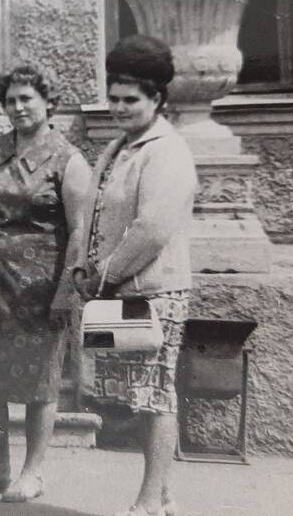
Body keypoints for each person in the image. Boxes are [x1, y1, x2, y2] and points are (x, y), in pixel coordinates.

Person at [0, 65, 90, 503]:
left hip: (39, 285)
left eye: (26, 98)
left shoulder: (69, 159)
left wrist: (68, 289)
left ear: (48, 103)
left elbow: (80, 229)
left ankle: (33, 471)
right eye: (10, 100)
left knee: (38, 379)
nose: (18, 107)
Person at [68, 35, 197, 516]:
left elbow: (152, 230)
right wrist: (81, 265)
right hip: (113, 289)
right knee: (126, 395)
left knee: (155, 394)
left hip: (154, 291)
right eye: (114, 98)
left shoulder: (166, 150)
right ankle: (162, 495)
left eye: (131, 100)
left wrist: (102, 274)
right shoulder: (119, 148)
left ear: (157, 99)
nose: (118, 108)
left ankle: (149, 501)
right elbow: (90, 214)